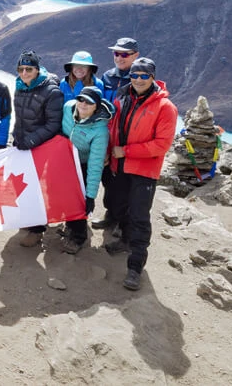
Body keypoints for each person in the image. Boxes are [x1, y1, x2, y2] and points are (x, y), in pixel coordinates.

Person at [105, 57, 177, 291]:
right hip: (120, 166)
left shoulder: (165, 108)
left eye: (144, 76)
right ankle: (125, 240)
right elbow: (113, 128)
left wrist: (124, 151)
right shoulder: (122, 97)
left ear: (152, 78)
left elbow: (161, 145)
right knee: (121, 206)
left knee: (139, 215)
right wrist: (110, 152)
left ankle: (135, 266)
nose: (138, 79)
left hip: (144, 170)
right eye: (134, 75)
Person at [10, 50, 64, 247]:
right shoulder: (20, 86)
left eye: (29, 69)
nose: (24, 73)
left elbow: (53, 124)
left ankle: (38, 230)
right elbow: (21, 117)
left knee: (37, 188)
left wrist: (31, 140)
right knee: (24, 184)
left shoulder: (51, 91)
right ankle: (29, 220)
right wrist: (16, 135)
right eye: (21, 69)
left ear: (37, 69)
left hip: (41, 147)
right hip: (23, 145)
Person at [59, 85, 113, 254]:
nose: (83, 104)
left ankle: (79, 236)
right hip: (66, 160)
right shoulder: (68, 108)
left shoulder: (100, 131)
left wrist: (90, 196)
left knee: (79, 200)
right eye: (81, 99)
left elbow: (96, 164)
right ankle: (69, 225)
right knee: (64, 195)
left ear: (96, 106)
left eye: (89, 102)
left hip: (83, 163)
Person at [94, 37, 140, 231]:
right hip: (107, 136)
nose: (119, 58)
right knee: (108, 179)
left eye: (124, 54)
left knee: (125, 184)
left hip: (126, 140)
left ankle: (124, 224)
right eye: (116, 53)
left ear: (135, 56)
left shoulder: (139, 78)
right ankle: (110, 215)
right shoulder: (107, 77)